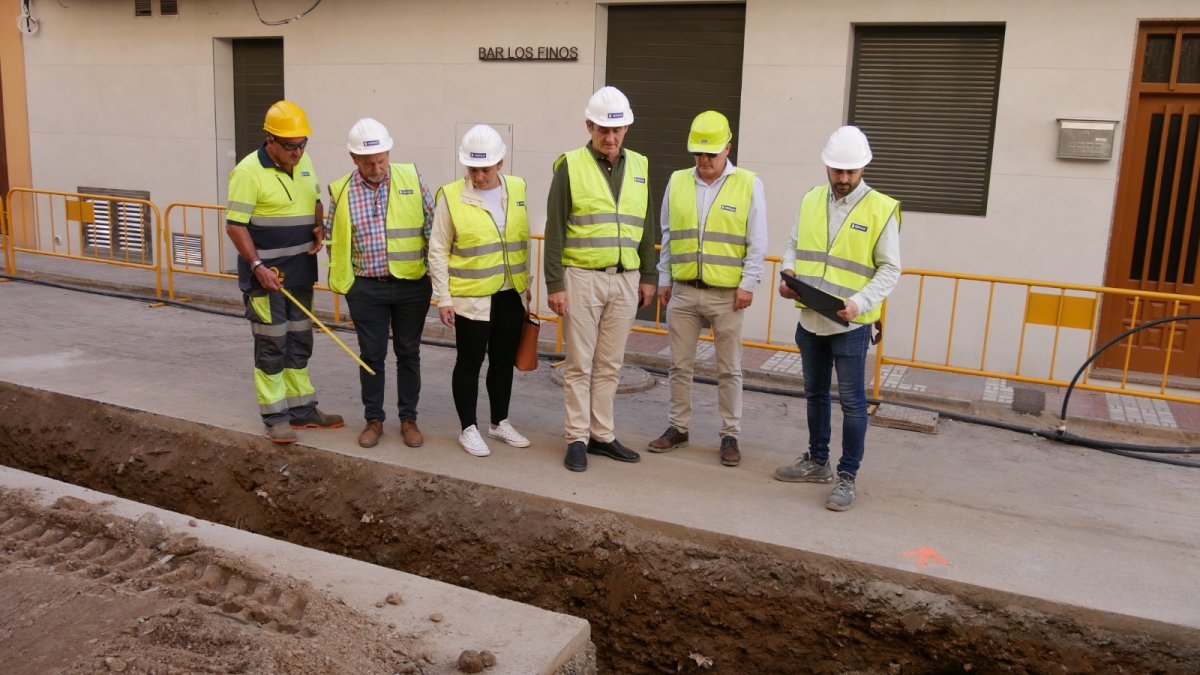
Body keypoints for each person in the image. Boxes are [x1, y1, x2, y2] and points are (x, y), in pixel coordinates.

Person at [773, 126, 901, 511]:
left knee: (852, 403)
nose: (843, 179)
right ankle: (816, 461)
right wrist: (789, 274)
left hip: (850, 324)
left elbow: (890, 269)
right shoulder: (812, 198)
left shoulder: (881, 209)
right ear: (827, 167)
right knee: (814, 394)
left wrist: (861, 303)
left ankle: (847, 475)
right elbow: (793, 245)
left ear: (863, 169)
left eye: (851, 172)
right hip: (811, 317)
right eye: (837, 171)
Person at [545, 86, 657, 472]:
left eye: (618, 130)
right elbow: (555, 229)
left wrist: (648, 274)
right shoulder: (570, 166)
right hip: (581, 278)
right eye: (602, 130)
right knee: (580, 364)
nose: (610, 138)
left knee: (610, 364)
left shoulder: (640, 166)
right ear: (589, 126)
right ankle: (576, 438)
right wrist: (554, 284)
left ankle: (602, 435)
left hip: (625, 281)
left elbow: (646, 225)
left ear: (627, 127)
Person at [648, 111, 767, 468]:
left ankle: (730, 434)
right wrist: (665, 279)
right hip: (684, 291)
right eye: (698, 154)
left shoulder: (748, 183)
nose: (703, 161)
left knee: (729, 368)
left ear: (727, 148)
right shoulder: (678, 181)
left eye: (710, 154)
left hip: (727, 294)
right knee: (678, 365)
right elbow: (668, 235)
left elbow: (757, 241)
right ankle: (678, 427)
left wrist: (748, 283)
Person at [224, 100, 343, 443]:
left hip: (300, 273)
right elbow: (235, 226)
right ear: (270, 140)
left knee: (299, 341)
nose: (298, 152)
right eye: (291, 146)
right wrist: (257, 266)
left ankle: (303, 410)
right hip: (267, 280)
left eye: (303, 144)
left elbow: (315, 199)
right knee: (272, 345)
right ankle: (275, 416)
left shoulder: (303, 163)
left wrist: (319, 225)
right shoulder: (248, 172)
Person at [325, 118, 434, 449]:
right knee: (371, 356)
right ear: (353, 159)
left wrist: (438, 278)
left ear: (389, 153)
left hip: (412, 284)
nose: (377, 167)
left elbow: (433, 228)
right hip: (366, 287)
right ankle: (374, 420)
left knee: (408, 353)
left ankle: (408, 419)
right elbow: (334, 237)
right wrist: (351, 285)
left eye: (381, 160)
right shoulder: (341, 189)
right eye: (369, 162)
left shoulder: (411, 178)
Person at [429, 125, 533, 457]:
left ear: (501, 162)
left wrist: (526, 289)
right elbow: (438, 249)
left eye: (485, 168)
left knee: (502, 361)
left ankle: (498, 422)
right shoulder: (451, 196)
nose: (479, 175)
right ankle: (468, 428)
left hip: (509, 293)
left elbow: (521, 241)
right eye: (472, 168)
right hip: (471, 297)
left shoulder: (517, 188)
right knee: (470, 362)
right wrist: (443, 297)